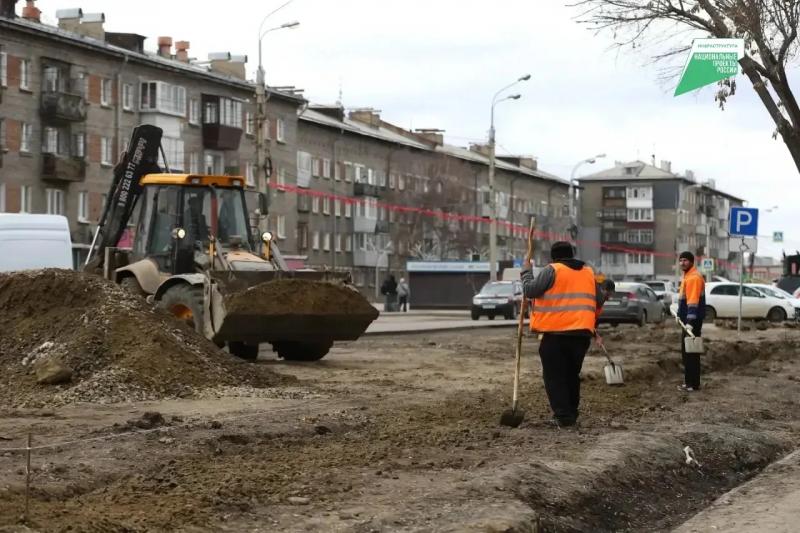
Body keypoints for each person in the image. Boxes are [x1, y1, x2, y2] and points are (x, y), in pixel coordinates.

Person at [521, 241, 606, 428]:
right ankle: (571, 413)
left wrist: (526, 271)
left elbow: (530, 290)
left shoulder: (552, 270)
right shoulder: (588, 273)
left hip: (556, 334)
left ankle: (563, 416)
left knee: (555, 377)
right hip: (581, 336)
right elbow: (599, 300)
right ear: (572, 254)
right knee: (571, 375)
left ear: (554, 257)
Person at [677, 251, 706, 392]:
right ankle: (690, 382)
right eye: (681, 260)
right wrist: (678, 313)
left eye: (685, 260)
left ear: (691, 262)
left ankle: (692, 384)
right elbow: (685, 299)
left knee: (691, 353)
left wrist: (689, 322)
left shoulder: (694, 278)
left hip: (692, 321)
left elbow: (693, 302)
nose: (682, 263)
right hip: (687, 320)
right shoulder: (688, 276)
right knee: (687, 352)